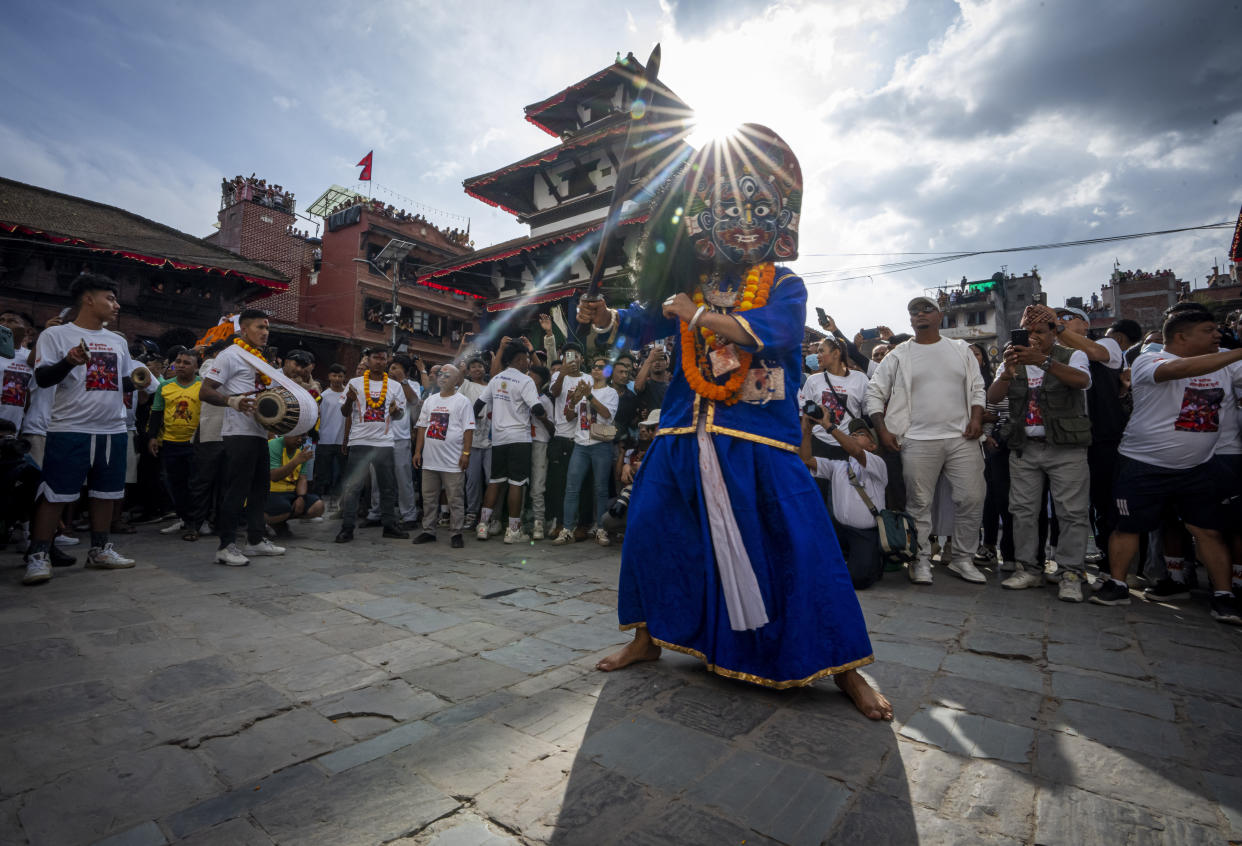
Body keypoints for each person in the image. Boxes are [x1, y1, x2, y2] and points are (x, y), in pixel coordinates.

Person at [586, 124, 889, 719]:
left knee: (802, 546)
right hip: (679, 431)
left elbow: (766, 334)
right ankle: (647, 640)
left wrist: (696, 314)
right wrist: (604, 317)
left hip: (759, 439)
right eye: (727, 207)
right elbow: (643, 321)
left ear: (782, 219)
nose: (745, 219)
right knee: (652, 533)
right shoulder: (686, 285)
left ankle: (845, 667)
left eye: (758, 207)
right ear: (701, 220)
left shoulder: (785, 284)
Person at [1091, 305, 1242, 624]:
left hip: (1199, 466)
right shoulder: (1150, 360)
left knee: (1208, 530)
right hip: (1143, 463)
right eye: (1208, 331)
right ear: (1182, 336)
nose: (1217, 335)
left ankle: (1223, 594)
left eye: (1217, 330)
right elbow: (1176, 373)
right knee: (1127, 525)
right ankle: (1117, 584)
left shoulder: (1228, 363)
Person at [865, 296, 987, 586]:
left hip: (962, 437)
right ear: (910, 320)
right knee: (918, 504)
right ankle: (920, 560)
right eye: (913, 311)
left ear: (939, 314)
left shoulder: (960, 350)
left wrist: (976, 418)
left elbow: (978, 387)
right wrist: (882, 430)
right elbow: (874, 393)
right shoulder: (899, 355)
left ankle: (962, 559)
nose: (919, 314)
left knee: (971, 498)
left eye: (926, 309)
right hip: (917, 439)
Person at [23, 274, 137, 585]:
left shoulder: (119, 341)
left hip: (112, 427)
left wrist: (140, 379)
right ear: (88, 299)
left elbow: (124, 382)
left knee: (106, 493)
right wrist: (70, 362)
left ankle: (100, 550)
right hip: (70, 426)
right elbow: (44, 378)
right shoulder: (57, 335)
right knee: (55, 493)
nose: (116, 304)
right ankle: (38, 554)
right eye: (110, 298)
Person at [986, 306, 1093, 601]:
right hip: (1025, 448)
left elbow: (1082, 382)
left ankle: (1070, 573)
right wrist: (1006, 373)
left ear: (1053, 334)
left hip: (1066, 448)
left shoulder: (1072, 356)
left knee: (1071, 513)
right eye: (1027, 333)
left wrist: (1043, 362)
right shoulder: (1013, 361)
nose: (1033, 338)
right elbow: (993, 399)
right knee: (1022, 511)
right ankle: (1029, 570)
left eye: (1039, 332)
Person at [200, 310, 286, 566]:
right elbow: (205, 391)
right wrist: (231, 400)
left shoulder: (260, 360)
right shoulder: (230, 355)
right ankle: (226, 546)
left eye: (267, 328)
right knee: (236, 491)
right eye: (260, 327)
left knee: (261, 489)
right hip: (238, 434)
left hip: (259, 433)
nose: (265, 332)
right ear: (244, 330)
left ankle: (255, 540)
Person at [800, 413, 887, 590]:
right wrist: (807, 429)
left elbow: (856, 451)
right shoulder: (838, 466)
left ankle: (871, 563)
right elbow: (805, 459)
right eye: (852, 434)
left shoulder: (877, 463)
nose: (854, 435)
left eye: (861, 434)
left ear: (872, 445)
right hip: (839, 530)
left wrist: (828, 426)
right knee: (810, 562)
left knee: (858, 580)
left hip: (865, 533)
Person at [474, 339, 546, 544]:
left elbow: (478, 404)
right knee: (517, 483)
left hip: (498, 439)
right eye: (526, 359)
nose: (529, 364)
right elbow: (537, 409)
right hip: (519, 439)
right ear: (519, 359)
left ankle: (483, 525)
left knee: (495, 481)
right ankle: (513, 530)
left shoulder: (496, 379)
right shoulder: (526, 381)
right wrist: (545, 419)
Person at [335, 346, 409, 542]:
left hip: (384, 442)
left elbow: (400, 415)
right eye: (376, 358)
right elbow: (344, 413)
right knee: (354, 486)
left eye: (383, 359)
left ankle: (389, 526)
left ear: (387, 361)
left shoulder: (394, 386)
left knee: (387, 487)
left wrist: (395, 411)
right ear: (367, 360)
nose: (379, 362)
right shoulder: (355, 383)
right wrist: (349, 401)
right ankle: (347, 528)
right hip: (359, 440)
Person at [551, 354, 619, 547]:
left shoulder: (610, 392)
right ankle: (567, 529)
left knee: (600, 489)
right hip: (580, 443)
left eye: (600, 367)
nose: (596, 369)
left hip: (601, 444)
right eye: (594, 366)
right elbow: (570, 416)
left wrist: (588, 396)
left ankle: (601, 528)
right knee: (571, 488)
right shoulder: (582, 388)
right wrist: (574, 401)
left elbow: (607, 414)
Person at [413, 364, 474, 548]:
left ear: (456, 380)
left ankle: (456, 533)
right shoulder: (431, 400)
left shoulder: (462, 401)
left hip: (452, 461)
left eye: (447, 375)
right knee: (429, 498)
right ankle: (428, 530)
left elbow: (468, 429)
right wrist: (417, 451)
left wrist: (466, 453)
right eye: (441, 374)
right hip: (430, 460)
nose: (442, 378)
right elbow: (422, 427)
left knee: (455, 498)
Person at [148, 347, 202, 536]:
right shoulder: (165, 386)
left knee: (194, 485)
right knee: (175, 484)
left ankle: (195, 522)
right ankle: (184, 519)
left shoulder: (203, 386)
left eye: (186, 363)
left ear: (196, 368)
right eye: (178, 362)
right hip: (170, 443)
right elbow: (156, 413)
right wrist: (153, 437)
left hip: (194, 444)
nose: (180, 366)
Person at [546, 343, 591, 538]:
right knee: (560, 484)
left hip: (582, 437)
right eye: (568, 356)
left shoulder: (589, 378)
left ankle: (582, 524)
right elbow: (554, 393)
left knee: (583, 484)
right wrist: (563, 373)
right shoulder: (558, 376)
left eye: (576, 356)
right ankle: (561, 522)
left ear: (582, 359)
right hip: (562, 436)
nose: (572, 359)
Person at [458, 357, 492, 529]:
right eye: (473, 367)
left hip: (490, 440)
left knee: (490, 478)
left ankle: (488, 514)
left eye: (480, 366)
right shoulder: (466, 385)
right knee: (472, 480)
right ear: (469, 371)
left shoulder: (492, 386)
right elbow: (459, 407)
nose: (477, 369)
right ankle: (471, 512)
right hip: (471, 441)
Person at [266, 432, 323, 533]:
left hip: (290, 492)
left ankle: (280, 521)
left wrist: (301, 497)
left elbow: (302, 478)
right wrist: (295, 461)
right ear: (286, 434)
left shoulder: (301, 450)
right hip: (271, 491)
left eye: (302, 436)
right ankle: (264, 522)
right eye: (297, 436)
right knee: (284, 508)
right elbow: (274, 476)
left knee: (318, 506)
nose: (300, 440)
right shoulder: (273, 445)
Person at [527, 364, 555, 539]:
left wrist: (543, 418)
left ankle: (539, 522)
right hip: (523, 442)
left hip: (540, 444)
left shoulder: (544, 400)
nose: (528, 377)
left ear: (540, 381)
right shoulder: (523, 396)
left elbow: (553, 429)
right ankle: (522, 521)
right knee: (521, 484)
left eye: (532, 375)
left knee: (537, 485)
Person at [315, 364, 348, 510]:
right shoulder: (323, 396)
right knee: (322, 473)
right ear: (329, 377)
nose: (337, 379)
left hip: (342, 440)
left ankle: (336, 501)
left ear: (344, 377)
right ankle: (317, 501)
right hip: (325, 439)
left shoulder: (348, 395)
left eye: (340, 376)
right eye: (334, 376)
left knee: (341, 473)